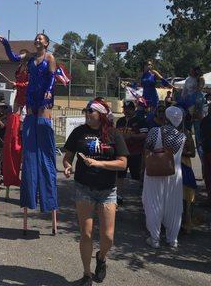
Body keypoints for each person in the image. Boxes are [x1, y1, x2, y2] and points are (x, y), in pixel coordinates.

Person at [63, 98, 129, 286]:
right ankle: (86, 274)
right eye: (85, 110)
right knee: (86, 233)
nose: (86, 113)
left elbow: (123, 163)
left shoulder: (113, 134)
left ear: (100, 114)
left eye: (90, 110)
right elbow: (68, 157)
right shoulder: (79, 132)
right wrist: (67, 166)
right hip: (84, 188)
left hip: (107, 191)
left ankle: (101, 257)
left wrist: (99, 163)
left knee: (108, 236)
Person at [0, 33, 59, 230]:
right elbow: (14, 58)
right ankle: (29, 196)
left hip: (45, 97)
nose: (38, 40)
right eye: (36, 38)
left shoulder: (49, 58)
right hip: (31, 97)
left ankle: (48, 201)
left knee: (42, 133)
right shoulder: (31, 58)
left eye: (41, 39)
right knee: (30, 146)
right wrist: (7, 44)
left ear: (47, 43)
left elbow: (52, 77)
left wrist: (49, 92)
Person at [142, 106, 186, 249]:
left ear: (165, 118)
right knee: (174, 205)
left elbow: (146, 149)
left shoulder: (155, 132)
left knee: (153, 203)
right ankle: (173, 239)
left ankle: (154, 239)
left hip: (155, 172)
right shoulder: (183, 136)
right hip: (174, 174)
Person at [0, 39, 30, 192]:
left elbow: (30, 84)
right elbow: (12, 56)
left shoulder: (31, 68)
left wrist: (17, 84)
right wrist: (5, 44)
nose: (19, 57)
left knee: (24, 132)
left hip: (28, 101)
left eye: (22, 55)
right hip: (19, 100)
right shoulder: (19, 68)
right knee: (14, 131)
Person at [116, 101, 148, 202]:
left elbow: (145, 135)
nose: (126, 110)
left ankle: (142, 197)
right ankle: (118, 196)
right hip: (122, 153)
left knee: (138, 175)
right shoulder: (120, 121)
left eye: (129, 109)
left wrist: (132, 136)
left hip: (135, 153)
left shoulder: (140, 121)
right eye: (125, 108)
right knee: (120, 175)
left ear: (134, 109)